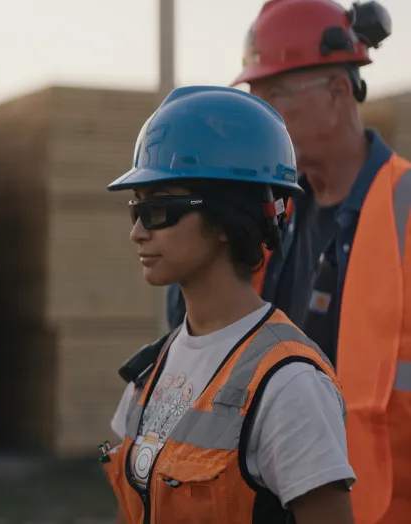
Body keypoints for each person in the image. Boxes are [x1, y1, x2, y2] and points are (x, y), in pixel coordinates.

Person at [166, 2, 411, 522]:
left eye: (274, 96)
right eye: (255, 98)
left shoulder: (405, 210)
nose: (260, 117)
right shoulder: (268, 212)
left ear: (339, 91)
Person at [102, 86, 355, 524]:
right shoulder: (146, 376)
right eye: (135, 210)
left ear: (225, 220)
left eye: (159, 210)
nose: (138, 232)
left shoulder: (291, 387)